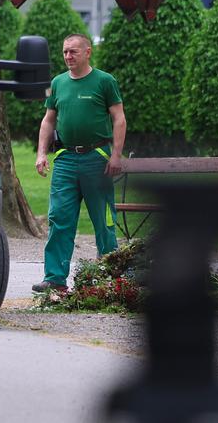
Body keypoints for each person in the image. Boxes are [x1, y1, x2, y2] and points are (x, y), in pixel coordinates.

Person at [31, 33, 126, 293]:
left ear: (87, 52)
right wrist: (41, 153)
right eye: (65, 52)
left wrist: (116, 155)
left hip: (97, 157)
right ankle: (55, 279)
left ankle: (109, 277)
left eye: (73, 51)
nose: (68, 56)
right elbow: (48, 120)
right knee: (59, 217)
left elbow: (119, 118)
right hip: (65, 159)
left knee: (103, 220)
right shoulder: (58, 83)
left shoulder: (105, 81)